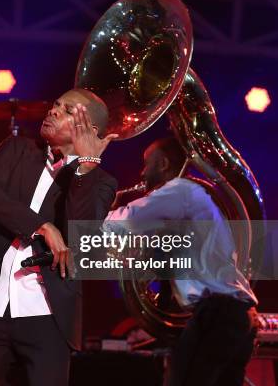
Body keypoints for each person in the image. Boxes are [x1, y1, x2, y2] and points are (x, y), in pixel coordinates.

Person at [0, 88, 118, 386]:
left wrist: (86, 168)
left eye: (66, 111)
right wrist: (42, 226)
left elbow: (82, 234)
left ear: (88, 130)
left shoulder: (101, 182)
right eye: (56, 103)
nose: (53, 111)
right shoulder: (17, 149)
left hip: (47, 312)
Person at [105, 137, 259, 386]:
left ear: (164, 163)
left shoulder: (180, 190)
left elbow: (124, 223)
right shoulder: (187, 203)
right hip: (236, 316)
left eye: (147, 164)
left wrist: (104, 210)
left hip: (218, 313)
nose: (142, 172)